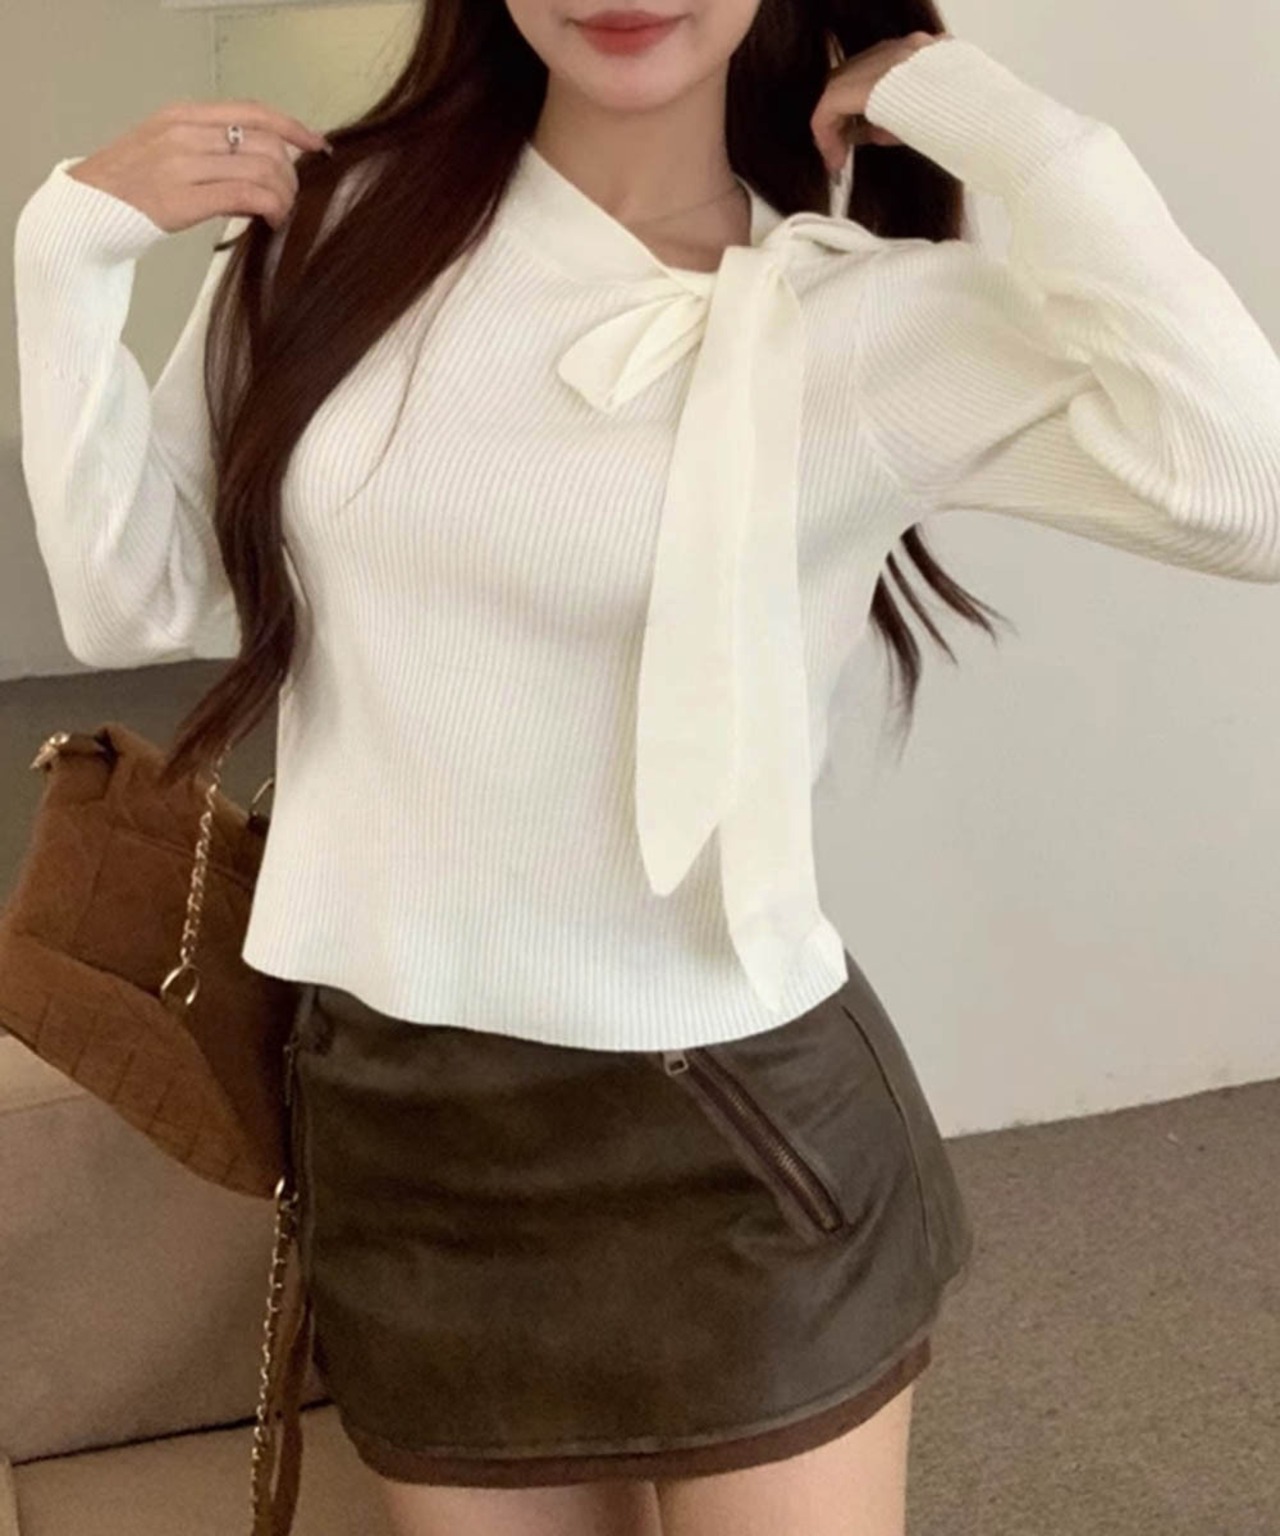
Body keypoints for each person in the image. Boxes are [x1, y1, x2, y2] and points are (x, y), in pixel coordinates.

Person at [13, 2, 1280, 1534]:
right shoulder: (335, 237)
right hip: (403, 1129)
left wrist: (1005, 123)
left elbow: (1248, 489)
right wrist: (67, 252)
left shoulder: (858, 320)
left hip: (733, 1130)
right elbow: (140, 598)